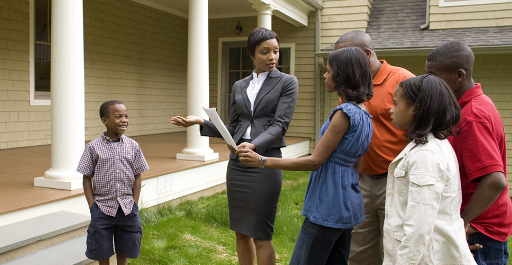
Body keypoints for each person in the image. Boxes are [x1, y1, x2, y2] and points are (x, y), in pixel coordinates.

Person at [171, 27, 298, 265]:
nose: (272, 57)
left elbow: (280, 125)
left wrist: (253, 145)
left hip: (265, 163)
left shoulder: (287, 83)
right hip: (238, 165)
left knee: (261, 234)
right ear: (252, 54)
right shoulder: (240, 86)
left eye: (276, 51)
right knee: (241, 231)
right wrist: (202, 122)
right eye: (265, 52)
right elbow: (234, 128)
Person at [237, 47, 373, 265]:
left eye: (329, 71)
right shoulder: (365, 114)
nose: (325, 75)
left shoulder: (343, 114)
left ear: (342, 76)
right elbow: (358, 167)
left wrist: (261, 161)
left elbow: (314, 161)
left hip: (327, 207)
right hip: (349, 205)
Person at [426, 41, 512, 265]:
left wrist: (460, 224)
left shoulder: (472, 116)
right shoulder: (472, 106)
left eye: (433, 75)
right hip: (479, 226)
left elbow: (495, 180)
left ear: (459, 75)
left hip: (479, 232)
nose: (429, 82)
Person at [334, 30, 415, 265]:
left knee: (395, 248)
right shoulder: (349, 87)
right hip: (362, 179)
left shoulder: (403, 80)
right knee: (358, 251)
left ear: (367, 53)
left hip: (397, 179)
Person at [383, 74, 476, 264]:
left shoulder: (426, 156)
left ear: (415, 109)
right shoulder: (428, 146)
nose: (391, 109)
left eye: (396, 103)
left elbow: (419, 227)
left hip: (429, 257)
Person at [77, 100, 149, 265]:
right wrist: (92, 205)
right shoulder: (93, 147)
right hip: (102, 208)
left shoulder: (133, 146)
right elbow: (86, 177)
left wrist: (134, 203)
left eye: (126, 116)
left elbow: (138, 176)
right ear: (105, 120)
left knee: (125, 247)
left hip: (127, 208)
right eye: (118, 116)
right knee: (102, 249)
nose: (124, 120)